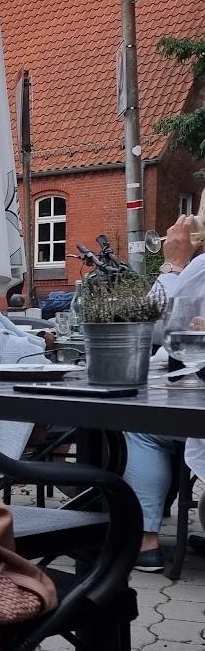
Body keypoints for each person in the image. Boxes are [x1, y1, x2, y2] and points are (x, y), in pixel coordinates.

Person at [120, 209, 205, 572]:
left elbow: (153, 328)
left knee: (142, 425)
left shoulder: (198, 270)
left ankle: (145, 542)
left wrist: (172, 266)